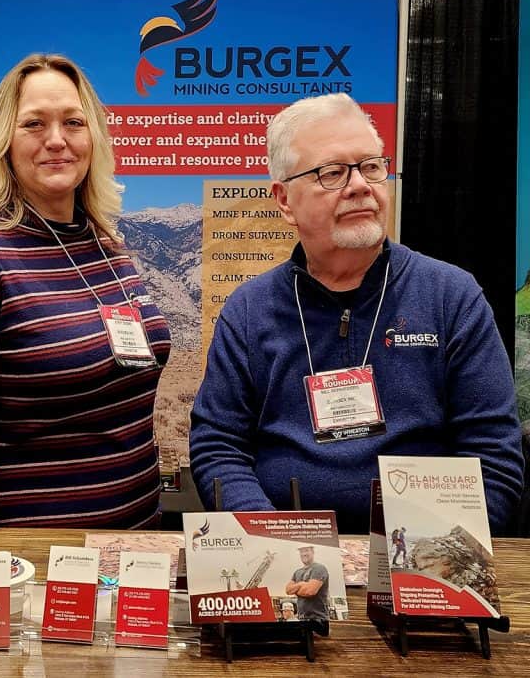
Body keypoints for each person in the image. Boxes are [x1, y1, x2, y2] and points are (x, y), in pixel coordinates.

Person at [190, 92, 524, 535]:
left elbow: (493, 457)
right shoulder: (249, 310)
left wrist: (418, 559)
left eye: (371, 166)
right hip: (287, 562)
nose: (360, 185)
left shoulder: (452, 297)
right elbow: (218, 447)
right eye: (332, 172)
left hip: (425, 564)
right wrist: (276, 541)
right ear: (285, 200)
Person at [0, 53, 170, 527]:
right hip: (38, 564)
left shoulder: (105, 243)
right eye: (34, 124)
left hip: (137, 543)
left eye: (73, 122)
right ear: (3, 141)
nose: (57, 140)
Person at [285, 546, 329, 621]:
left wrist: (296, 589)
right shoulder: (297, 572)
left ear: (313, 552)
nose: (304, 554)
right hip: (302, 618)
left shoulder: (319, 568)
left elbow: (309, 591)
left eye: (306, 551)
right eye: (301, 551)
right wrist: (301, 584)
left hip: (317, 618)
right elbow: (288, 590)